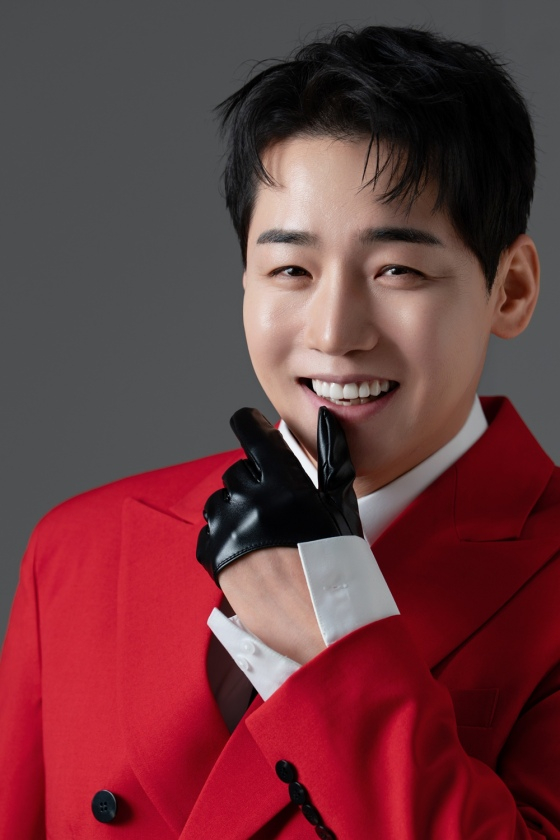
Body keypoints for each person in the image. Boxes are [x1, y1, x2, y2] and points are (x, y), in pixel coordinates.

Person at [0, 23, 558, 839]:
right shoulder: (77, 551)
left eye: (397, 270)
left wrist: (336, 627)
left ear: (510, 290)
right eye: (291, 270)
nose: (334, 332)